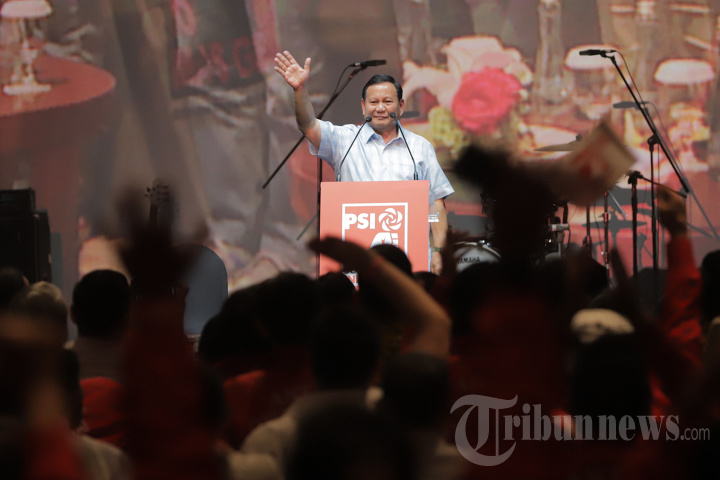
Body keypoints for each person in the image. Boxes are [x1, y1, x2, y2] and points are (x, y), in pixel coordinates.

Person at [273, 51, 454, 274]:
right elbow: (308, 126)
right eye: (373, 102)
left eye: (387, 101)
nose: (380, 108)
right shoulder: (344, 140)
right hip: (356, 264)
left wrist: (439, 250)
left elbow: (435, 205)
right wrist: (300, 90)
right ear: (363, 106)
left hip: (410, 262)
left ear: (401, 106)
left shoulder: (420, 147)